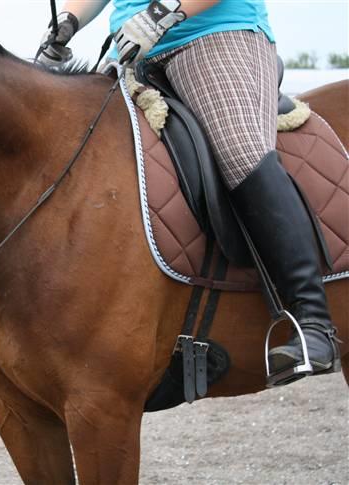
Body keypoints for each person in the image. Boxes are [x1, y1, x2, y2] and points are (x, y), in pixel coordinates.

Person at [36, 0, 339, 384]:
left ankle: (313, 321)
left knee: (240, 150)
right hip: (131, 51)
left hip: (213, 35)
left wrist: (162, 13)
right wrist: (68, 20)